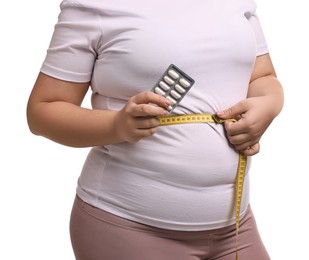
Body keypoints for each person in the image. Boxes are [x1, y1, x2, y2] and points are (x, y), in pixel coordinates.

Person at [26, 1, 284, 259]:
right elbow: (42, 111)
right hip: (128, 227)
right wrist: (116, 126)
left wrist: (269, 104)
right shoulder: (95, 5)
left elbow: (262, 76)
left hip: (235, 229)